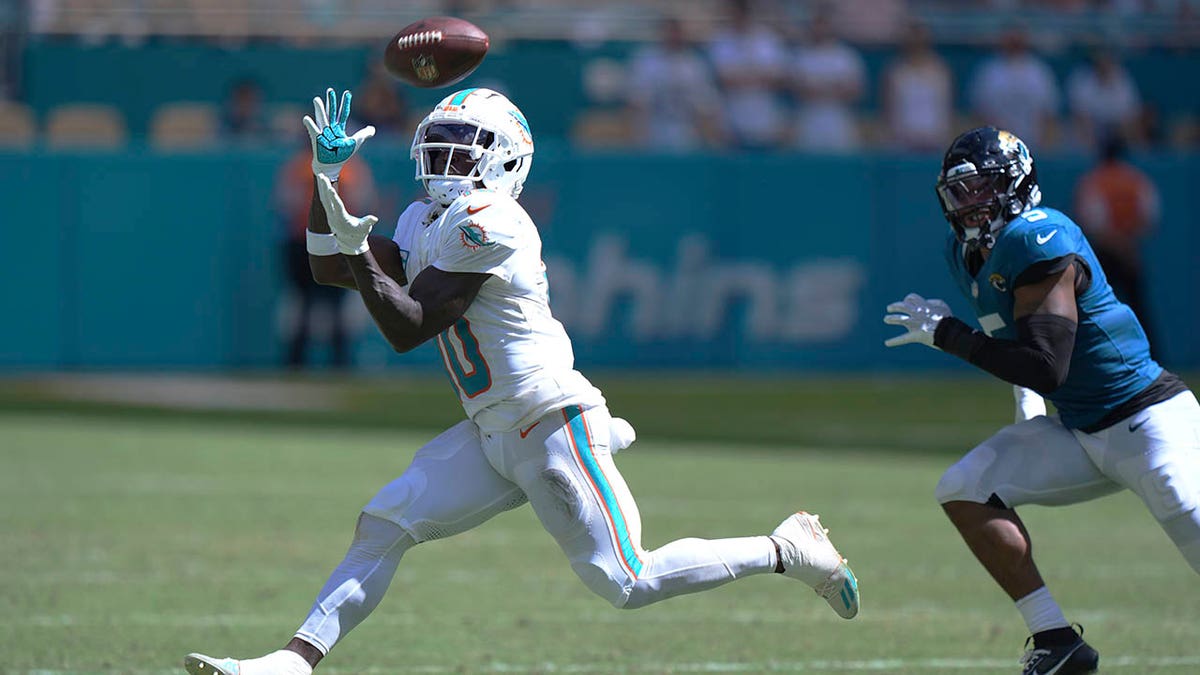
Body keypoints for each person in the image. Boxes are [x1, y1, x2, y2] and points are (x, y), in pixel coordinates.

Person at [184, 87, 859, 675]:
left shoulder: (494, 221)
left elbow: (408, 324)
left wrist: (360, 250)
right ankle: (295, 658)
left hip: (549, 420)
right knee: (384, 521)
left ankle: (788, 547)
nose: (444, 160)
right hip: (492, 428)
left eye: (463, 147)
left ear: (504, 156)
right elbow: (330, 269)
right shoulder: (425, 215)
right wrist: (323, 183)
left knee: (626, 579)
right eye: (438, 145)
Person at [883, 126, 1198, 675]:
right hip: (1082, 429)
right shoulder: (970, 254)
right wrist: (1027, 407)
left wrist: (950, 336)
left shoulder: (1039, 236)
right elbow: (1016, 343)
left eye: (983, 189)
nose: (971, 205)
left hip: (1147, 419)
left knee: (1185, 512)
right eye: (961, 193)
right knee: (963, 487)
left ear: (1017, 184)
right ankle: (1057, 642)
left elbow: (1046, 363)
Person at [274, 136, 377, 369]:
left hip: (316, 240)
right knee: (311, 303)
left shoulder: (303, 165)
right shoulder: (340, 167)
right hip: (313, 240)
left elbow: (285, 203)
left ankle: (321, 361)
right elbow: (362, 202)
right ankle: (316, 361)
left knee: (326, 304)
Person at [1073, 134, 1161, 354]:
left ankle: (1092, 355)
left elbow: (1093, 222)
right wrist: (1127, 243)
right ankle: (1150, 355)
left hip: (1105, 253)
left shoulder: (1095, 180)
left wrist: (1117, 243)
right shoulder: (1135, 179)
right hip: (1130, 250)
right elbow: (1149, 216)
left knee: (1095, 307)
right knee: (1137, 307)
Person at [968, 28, 1060, 150]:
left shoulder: (1039, 72)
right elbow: (979, 112)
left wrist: (1045, 146)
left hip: (1033, 145)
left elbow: (1049, 113)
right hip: (996, 146)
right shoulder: (989, 72)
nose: (1013, 43)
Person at [790, 8, 866, 153]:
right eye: (817, 24)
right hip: (809, 121)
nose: (821, 29)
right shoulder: (801, 56)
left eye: (824, 24)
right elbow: (797, 89)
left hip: (839, 122)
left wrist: (818, 89)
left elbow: (856, 91)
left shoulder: (847, 57)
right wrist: (833, 88)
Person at [880, 21, 953, 152]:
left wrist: (940, 134)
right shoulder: (895, 71)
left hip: (934, 138)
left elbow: (944, 107)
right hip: (902, 140)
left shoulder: (940, 69)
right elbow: (889, 108)